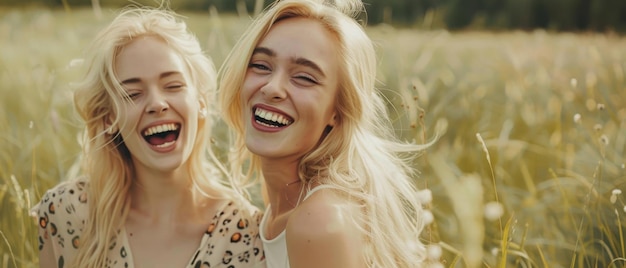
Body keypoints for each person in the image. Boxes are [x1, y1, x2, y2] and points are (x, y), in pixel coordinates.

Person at [31, 7, 264, 268]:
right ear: (109, 119)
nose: (157, 103)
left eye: (173, 85)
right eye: (132, 94)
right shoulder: (66, 212)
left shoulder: (247, 232)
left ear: (200, 101)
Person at [218, 0, 433, 267]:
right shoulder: (286, 204)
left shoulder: (319, 220)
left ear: (338, 110)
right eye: (261, 65)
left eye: (305, 77)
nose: (272, 87)